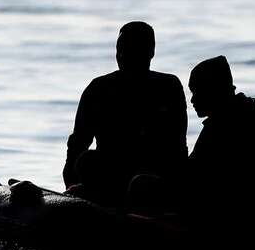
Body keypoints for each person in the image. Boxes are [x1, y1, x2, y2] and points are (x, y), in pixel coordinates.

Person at [63, 22, 187, 205]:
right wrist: (70, 191)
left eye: (131, 50)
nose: (122, 56)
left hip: (151, 182)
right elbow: (77, 145)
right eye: (119, 50)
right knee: (86, 161)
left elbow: (178, 147)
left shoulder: (168, 87)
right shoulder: (98, 89)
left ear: (150, 52)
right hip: (108, 179)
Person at [186, 55, 255, 240]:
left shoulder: (219, 130)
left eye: (196, 91)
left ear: (213, 90)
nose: (192, 100)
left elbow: (195, 177)